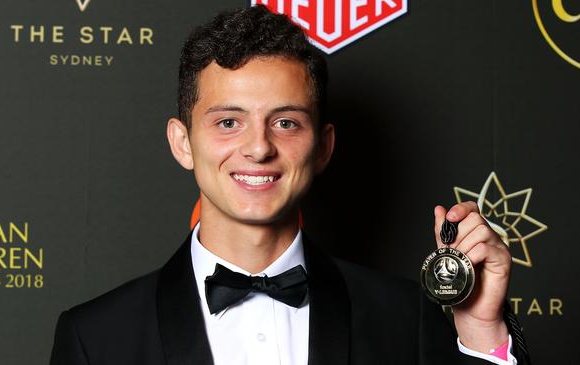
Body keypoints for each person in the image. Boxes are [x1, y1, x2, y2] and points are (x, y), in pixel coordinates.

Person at [49, 5, 529, 365]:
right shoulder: (95, 338)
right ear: (182, 143)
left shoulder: (408, 319)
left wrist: (482, 332)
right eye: (228, 122)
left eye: (285, 123)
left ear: (323, 146)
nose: (258, 148)